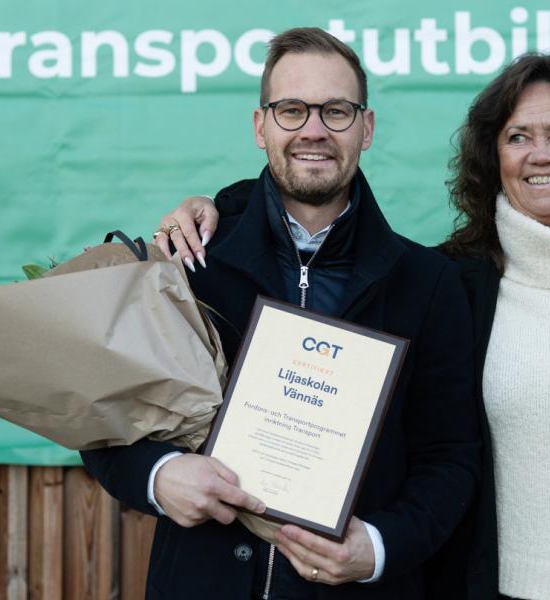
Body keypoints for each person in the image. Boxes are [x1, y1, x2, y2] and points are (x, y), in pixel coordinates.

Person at [160, 53, 550, 599]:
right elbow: (444, 455)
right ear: (493, 156)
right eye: (518, 137)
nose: (540, 154)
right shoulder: (456, 284)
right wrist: (225, 206)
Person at [81, 27, 480, 600]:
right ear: (260, 126)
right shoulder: (190, 259)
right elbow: (107, 412)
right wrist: (157, 476)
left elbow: (450, 457)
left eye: (336, 111)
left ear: (366, 128)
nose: (314, 130)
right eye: (292, 110)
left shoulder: (427, 283)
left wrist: (380, 547)